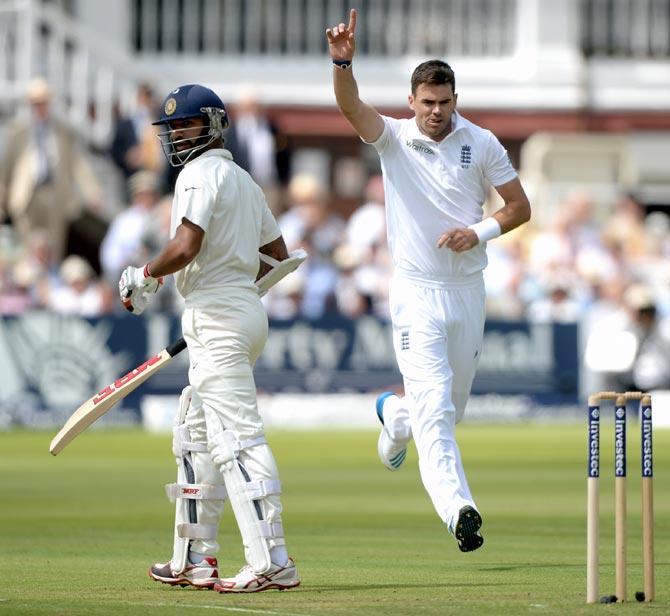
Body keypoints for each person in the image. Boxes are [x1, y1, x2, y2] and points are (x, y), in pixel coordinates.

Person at [326, 10, 531, 552]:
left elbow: (519, 207)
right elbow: (350, 106)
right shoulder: (393, 137)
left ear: (455, 100)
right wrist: (343, 62)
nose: (436, 112)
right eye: (427, 103)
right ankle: (458, 509)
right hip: (415, 290)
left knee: (445, 411)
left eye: (444, 103)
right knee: (435, 408)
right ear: (412, 101)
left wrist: (480, 232)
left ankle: (393, 416)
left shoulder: (481, 143)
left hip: (467, 292)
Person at [118, 84, 301, 592]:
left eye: (186, 125)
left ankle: (273, 562)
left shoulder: (200, 173)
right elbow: (278, 254)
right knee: (194, 434)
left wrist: (146, 275)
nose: (176, 135)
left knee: (236, 441)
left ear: (215, 125)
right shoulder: (244, 180)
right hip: (238, 310)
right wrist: (236, 285)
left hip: (217, 317)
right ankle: (195, 557)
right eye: (172, 127)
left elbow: (186, 243)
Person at [0, 77, 103, 263]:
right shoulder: (18, 132)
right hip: (25, 196)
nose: (40, 108)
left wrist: (92, 191)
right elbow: (6, 167)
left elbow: (77, 164)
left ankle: (52, 283)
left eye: (43, 103)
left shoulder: (62, 132)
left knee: (54, 247)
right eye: (36, 103)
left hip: (55, 194)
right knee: (26, 248)